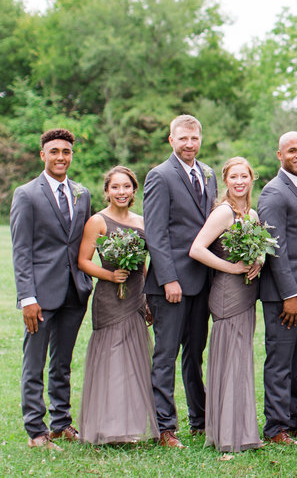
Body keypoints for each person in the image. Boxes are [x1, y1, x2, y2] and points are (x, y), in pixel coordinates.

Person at [10, 128, 94, 449]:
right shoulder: (26, 194)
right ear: (42, 155)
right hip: (40, 296)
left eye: (67, 152)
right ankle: (36, 431)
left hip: (75, 292)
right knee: (34, 364)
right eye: (55, 151)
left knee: (62, 363)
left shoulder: (81, 193)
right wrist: (27, 298)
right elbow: (21, 250)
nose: (61, 157)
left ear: (72, 155)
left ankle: (61, 423)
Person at [143, 114, 217, 448]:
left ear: (200, 139)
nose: (189, 144)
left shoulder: (209, 174)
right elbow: (155, 234)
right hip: (170, 284)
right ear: (171, 140)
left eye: (194, 138)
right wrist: (168, 278)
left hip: (203, 281)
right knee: (166, 354)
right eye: (182, 138)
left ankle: (200, 420)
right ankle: (164, 427)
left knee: (194, 353)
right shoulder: (159, 176)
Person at [76, 166, 159, 444]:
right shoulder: (97, 221)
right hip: (110, 298)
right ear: (107, 191)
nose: (121, 192)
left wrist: (146, 297)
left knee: (133, 363)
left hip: (135, 296)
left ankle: (130, 427)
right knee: (111, 362)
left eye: (126, 187)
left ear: (134, 190)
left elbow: (144, 265)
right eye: (115, 187)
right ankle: (107, 428)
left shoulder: (143, 221)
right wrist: (110, 275)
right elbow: (84, 261)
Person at [188, 157, 264, 453]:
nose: (239, 182)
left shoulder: (253, 214)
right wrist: (229, 268)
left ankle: (242, 429)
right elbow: (196, 249)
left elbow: (258, 250)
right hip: (226, 293)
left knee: (241, 360)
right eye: (234, 177)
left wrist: (258, 261)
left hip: (247, 294)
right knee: (229, 359)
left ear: (251, 178)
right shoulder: (223, 212)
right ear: (226, 181)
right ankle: (227, 432)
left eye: (244, 176)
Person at [257, 132, 297, 445]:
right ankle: (275, 428)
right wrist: (290, 295)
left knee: (296, 361)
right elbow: (275, 247)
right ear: (279, 155)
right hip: (285, 295)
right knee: (280, 361)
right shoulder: (273, 193)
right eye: (292, 150)